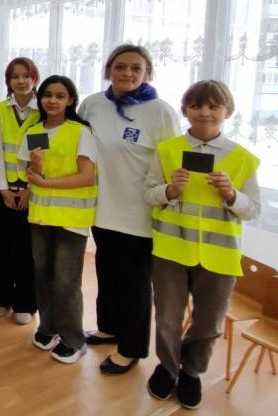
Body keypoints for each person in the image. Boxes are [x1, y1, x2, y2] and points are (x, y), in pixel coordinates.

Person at [144, 80, 260, 410]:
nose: (204, 112)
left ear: (227, 110)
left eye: (213, 106)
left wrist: (231, 195)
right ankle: (167, 368)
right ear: (185, 110)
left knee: (210, 322)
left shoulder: (241, 159)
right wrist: (170, 190)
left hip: (219, 255)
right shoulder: (167, 150)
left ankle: (192, 371)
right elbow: (148, 194)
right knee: (167, 319)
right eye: (196, 105)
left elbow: (253, 210)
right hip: (171, 250)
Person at [78, 44, 180, 374]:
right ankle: (108, 327)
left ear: (147, 73)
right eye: (120, 66)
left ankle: (132, 347)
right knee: (107, 272)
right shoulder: (93, 104)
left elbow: (172, 163)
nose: (128, 73)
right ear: (108, 69)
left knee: (134, 284)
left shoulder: (160, 111)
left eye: (137, 68)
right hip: (101, 208)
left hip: (140, 213)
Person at [20, 75, 98, 364]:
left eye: (60, 96)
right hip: (41, 216)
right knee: (42, 276)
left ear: (71, 100)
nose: (52, 100)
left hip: (71, 219)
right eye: (47, 95)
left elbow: (86, 176)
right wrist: (36, 168)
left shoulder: (80, 132)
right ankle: (48, 328)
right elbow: (32, 172)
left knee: (66, 282)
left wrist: (45, 182)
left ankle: (74, 339)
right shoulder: (36, 131)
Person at [0, 57, 40, 325]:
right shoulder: (0, 109)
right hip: (4, 189)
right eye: (14, 76)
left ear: (34, 79)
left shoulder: (42, 112)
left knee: (28, 250)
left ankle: (25, 303)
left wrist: (30, 189)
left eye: (25, 75)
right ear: (8, 81)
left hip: (33, 192)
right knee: (0, 247)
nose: (20, 81)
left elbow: (42, 157)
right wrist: (4, 190)